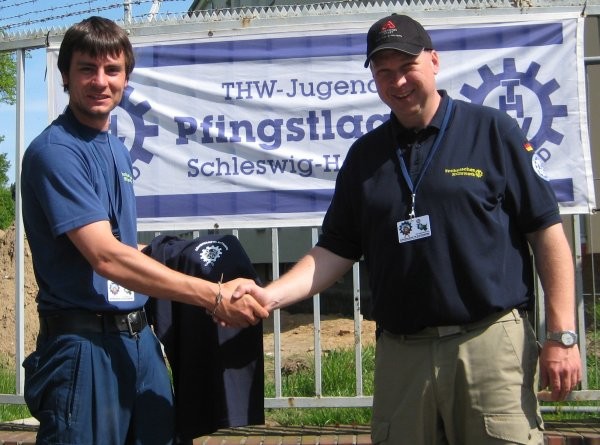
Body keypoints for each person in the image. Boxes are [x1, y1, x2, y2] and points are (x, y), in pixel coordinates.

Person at [233, 13, 582, 445]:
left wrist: (562, 335)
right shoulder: (365, 157)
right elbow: (333, 251)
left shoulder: (492, 132)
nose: (397, 83)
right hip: (403, 354)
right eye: (384, 73)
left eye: (407, 68)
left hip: (489, 345)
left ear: (434, 61)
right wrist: (271, 295)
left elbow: (547, 232)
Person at [20, 16, 268, 445]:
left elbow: (118, 245)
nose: (101, 81)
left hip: (139, 342)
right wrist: (213, 295)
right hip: (82, 350)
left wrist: (174, 253)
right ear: (65, 76)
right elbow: (105, 257)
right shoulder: (54, 152)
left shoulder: (114, 147)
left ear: (126, 77)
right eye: (87, 68)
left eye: (112, 70)